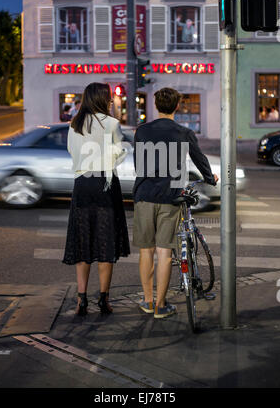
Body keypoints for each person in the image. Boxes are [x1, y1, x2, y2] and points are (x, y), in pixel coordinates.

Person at [133, 87, 218, 319]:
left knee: (146, 250)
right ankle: (161, 306)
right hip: (170, 196)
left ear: (156, 105)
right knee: (165, 251)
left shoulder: (141, 131)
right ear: (177, 107)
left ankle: (148, 301)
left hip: (144, 194)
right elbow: (200, 159)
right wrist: (210, 178)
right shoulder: (184, 132)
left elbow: (138, 164)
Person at [62, 82, 130, 316]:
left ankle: (81, 299)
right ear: (102, 99)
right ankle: (103, 299)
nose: (111, 100)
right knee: (105, 242)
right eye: (109, 97)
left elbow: (72, 151)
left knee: (83, 242)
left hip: (82, 184)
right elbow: (119, 154)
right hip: (104, 184)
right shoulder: (111, 124)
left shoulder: (75, 123)